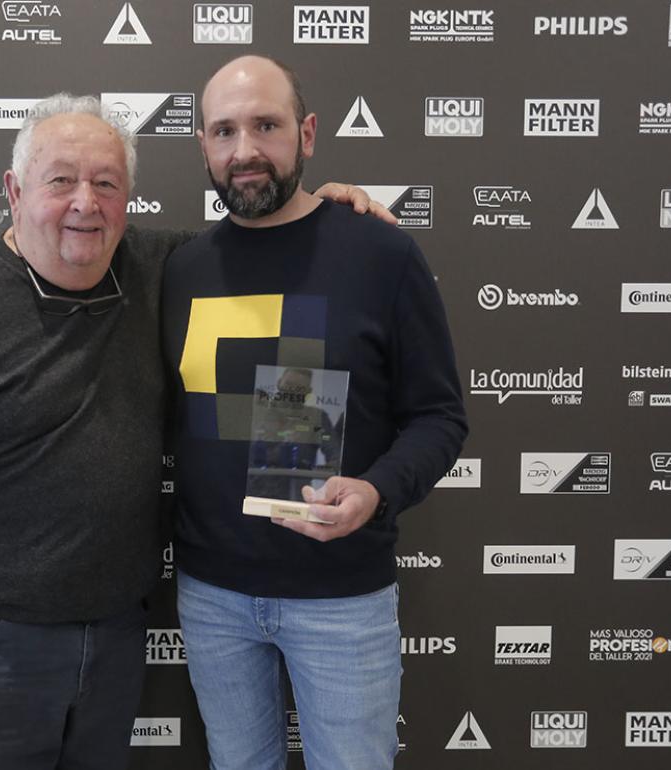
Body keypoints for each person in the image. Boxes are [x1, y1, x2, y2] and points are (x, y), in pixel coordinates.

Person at [0, 92, 388, 770]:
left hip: (113, 636)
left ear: (128, 200)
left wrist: (318, 215)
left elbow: (263, 250)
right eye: (62, 181)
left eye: (107, 184)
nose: (85, 202)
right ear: (14, 191)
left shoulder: (164, 271)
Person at [161, 56, 468, 770]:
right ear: (201, 146)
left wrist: (376, 489)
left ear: (306, 134)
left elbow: (439, 417)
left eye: (266, 126)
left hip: (340, 598)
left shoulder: (381, 253)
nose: (245, 151)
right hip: (212, 598)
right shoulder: (179, 268)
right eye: (225, 131)